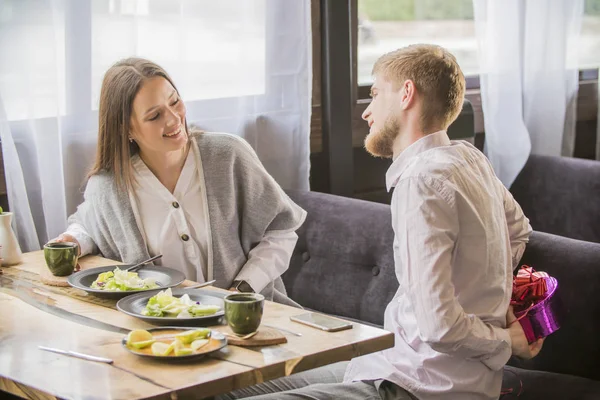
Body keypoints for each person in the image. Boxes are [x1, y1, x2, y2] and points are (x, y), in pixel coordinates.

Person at [217, 44, 543, 400]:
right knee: (229, 387)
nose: (367, 112)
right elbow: (518, 231)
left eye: (374, 94)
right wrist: (492, 296)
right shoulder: (469, 158)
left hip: (420, 385)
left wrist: (505, 342)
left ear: (406, 94)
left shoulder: (421, 182)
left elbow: (439, 327)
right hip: (387, 362)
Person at [51, 58, 306, 306]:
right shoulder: (109, 184)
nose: (174, 119)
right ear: (126, 129)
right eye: (154, 116)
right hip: (160, 330)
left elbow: (281, 230)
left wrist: (242, 290)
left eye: (175, 102)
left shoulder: (228, 155)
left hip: (247, 318)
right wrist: (72, 242)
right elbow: (89, 224)